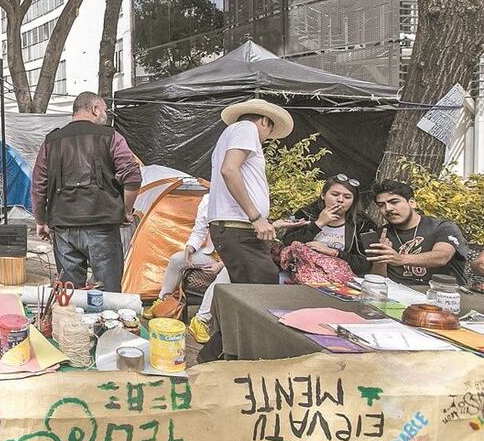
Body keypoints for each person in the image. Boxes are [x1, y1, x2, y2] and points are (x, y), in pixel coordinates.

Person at [32, 91, 141, 292]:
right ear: (95, 109)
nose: (106, 115)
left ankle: (72, 324)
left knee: (70, 295)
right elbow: (132, 177)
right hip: (103, 225)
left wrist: (41, 221)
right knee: (107, 294)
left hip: (63, 226)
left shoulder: (51, 142)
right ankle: (105, 323)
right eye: (105, 110)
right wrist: (126, 211)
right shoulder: (111, 137)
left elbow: (39, 185)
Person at [207, 98, 299, 284]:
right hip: (238, 227)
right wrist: (256, 217)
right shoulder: (246, 128)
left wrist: (267, 222)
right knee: (261, 290)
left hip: (237, 228)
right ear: (264, 121)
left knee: (249, 290)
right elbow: (229, 169)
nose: (266, 138)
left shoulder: (231, 134)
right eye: (270, 130)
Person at [146, 194, 229, 343]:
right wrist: (190, 248)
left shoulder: (244, 201)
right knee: (177, 260)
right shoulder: (209, 199)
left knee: (226, 273)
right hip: (212, 254)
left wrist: (222, 264)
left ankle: (201, 320)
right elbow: (199, 230)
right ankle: (163, 302)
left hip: (232, 260)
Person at [366, 180, 468, 286]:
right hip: (397, 295)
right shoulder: (381, 234)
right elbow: (378, 280)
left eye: (394, 202)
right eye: (381, 205)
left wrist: (400, 259)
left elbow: (442, 257)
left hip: (440, 292)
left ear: (412, 203)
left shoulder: (442, 227)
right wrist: (381, 260)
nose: (388, 208)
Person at [280, 174, 376, 276]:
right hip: (301, 272)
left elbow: (366, 264)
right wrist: (318, 224)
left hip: (341, 278)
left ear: (353, 201)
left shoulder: (363, 224)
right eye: (335, 194)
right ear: (323, 195)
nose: (340, 200)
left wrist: (334, 252)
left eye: (347, 197)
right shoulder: (306, 214)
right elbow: (287, 242)